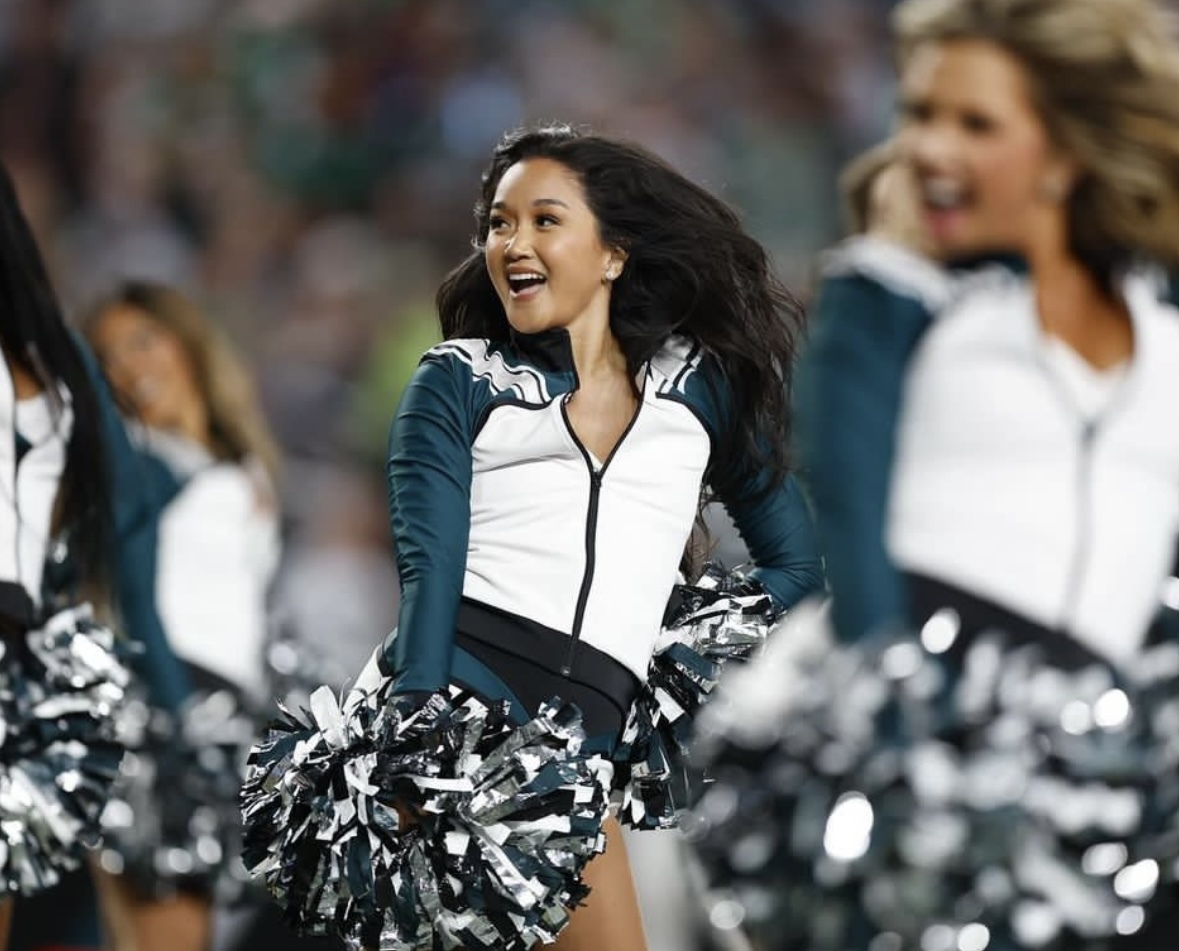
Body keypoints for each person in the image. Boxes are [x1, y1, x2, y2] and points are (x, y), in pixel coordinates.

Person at [244, 122, 824, 951]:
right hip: (455, 718)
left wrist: (672, 656)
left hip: (578, 757)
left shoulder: (696, 388)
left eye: (543, 220)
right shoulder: (461, 379)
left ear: (614, 252)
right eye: (497, 223)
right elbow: (428, 573)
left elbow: (795, 565)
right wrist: (414, 744)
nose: (511, 242)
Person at [795, 0, 1179, 944]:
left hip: (1117, 757)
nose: (931, 149)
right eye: (919, 115)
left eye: (973, 123)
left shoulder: (1153, 316)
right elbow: (847, 504)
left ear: (1062, 149)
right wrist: (895, 735)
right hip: (932, 736)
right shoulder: (900, 301)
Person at [0, 162, 192, 950]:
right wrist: (168, 717)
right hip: (59, 707)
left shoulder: (62, 364)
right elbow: (130, 540)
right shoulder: (61, 363)